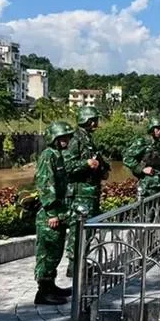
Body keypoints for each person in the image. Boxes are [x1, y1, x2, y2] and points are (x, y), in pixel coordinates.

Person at [62, 106, 110, 277]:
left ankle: (82, 262)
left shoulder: (88, 139)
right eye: (94, 120)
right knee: (78, 231)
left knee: (88, 231)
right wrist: (86, 164)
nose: (96, 123)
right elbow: (66, 166)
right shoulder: (76, 140)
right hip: (80, 194)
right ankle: (74, 266)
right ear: (87, 120)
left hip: (91, 193)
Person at [33, 121, 75, 305]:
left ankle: (50, 286)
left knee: (55, 253)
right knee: (47, 253)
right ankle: (42, 292)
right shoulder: (47, 156)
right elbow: (45, 185)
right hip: (49, 215)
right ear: (54, 138)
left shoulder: (58, 155)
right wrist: (51, 213)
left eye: (66, 137)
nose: (66, 140)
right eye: (62, 137)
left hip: (59, 211)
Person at [123, 117, 160, 199]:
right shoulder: (143, 141)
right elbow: (127, 158)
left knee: (158, 210)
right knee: (146, 210)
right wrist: (141, 169)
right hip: (147, 186)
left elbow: (156, 161)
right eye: (158, 128)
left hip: (159, 185)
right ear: (152, 128)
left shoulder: (158, 144)